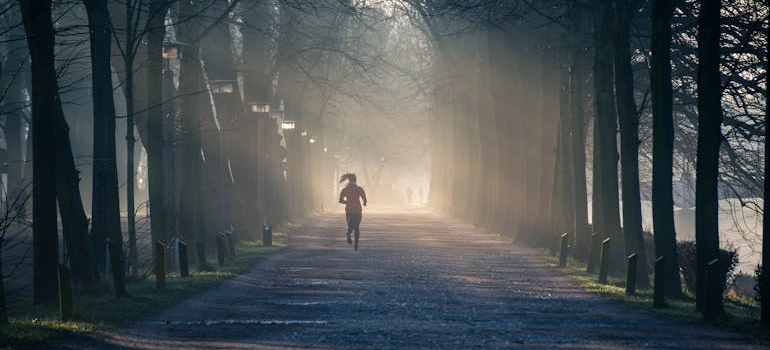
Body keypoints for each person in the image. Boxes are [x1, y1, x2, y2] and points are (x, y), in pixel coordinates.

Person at [339, 173, 367, 250]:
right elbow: (364, 198)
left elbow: (340, 200)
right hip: (358, 210)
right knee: (357, 227)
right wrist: (364, 203)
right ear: (355, 180)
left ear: (349, 180)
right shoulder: (359, 189)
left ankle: (348, 234)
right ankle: (356, 245)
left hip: (349, 210)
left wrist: (347, 202)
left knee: (350, 226)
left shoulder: (345, 190)